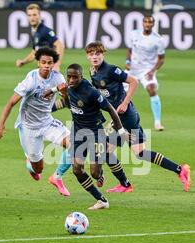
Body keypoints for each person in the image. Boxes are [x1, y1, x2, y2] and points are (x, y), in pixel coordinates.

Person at [85, 41, 191, 193]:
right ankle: (180, 170)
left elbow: (133, 81)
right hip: (120, 117)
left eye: (98, 53)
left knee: (106, 151)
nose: (95, 57)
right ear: (87, 56)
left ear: (103, 54)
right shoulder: (93, 71)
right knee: (140, 153)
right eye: (91, 54)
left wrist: (125, 103)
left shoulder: (111, 70)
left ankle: (124, 184)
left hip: (125, 117)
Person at [45, 64, 132, 209]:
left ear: (81, 76)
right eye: (69, 77)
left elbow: (111, 109)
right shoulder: (68, 87)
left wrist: (121, 131)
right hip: (78, 133)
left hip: (96, 134)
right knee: (77, 170)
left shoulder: (91, 92)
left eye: (75, 77)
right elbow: (68, 103)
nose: (72, 80)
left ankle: (100, 173)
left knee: (95, 173)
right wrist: (53, 92)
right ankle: (102, 200)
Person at [0, 48, 70, 193]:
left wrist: (65, 93)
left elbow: (67, 102)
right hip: (29, 127)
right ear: (38, 63)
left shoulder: (58, 78)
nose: (47, 65)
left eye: (50, 63)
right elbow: (11, 102)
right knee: (39, 168)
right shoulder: (31, 80)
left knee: (75, 144)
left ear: (54, 64)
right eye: (43, 62)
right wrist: (0, 123)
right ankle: (30, 163)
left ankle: (57, 176)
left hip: (48, 122)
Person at [125, 15, 166, 131]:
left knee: (151, 89)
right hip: (132, 69)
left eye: (150, 22)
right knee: (120, 93)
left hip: (146, 70)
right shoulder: (134, 34)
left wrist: (153, 71)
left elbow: (161, 59)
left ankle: (157, 122)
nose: (147, 24)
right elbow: (130, 50)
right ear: (142, 23)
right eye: (145, 22)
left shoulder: (158, 40)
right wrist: (127, 61)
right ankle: (117, 120)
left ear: (153, 24)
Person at [15, 3, 65, 72]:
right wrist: (23, 62)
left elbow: (60, 45)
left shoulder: (45, 30)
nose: (32, 18)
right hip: (41, 70)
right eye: (29, 15)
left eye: (34, 15)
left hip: (49, 69)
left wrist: (57, 64)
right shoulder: (35, 32)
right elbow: (34, 53)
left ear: (39, 16)